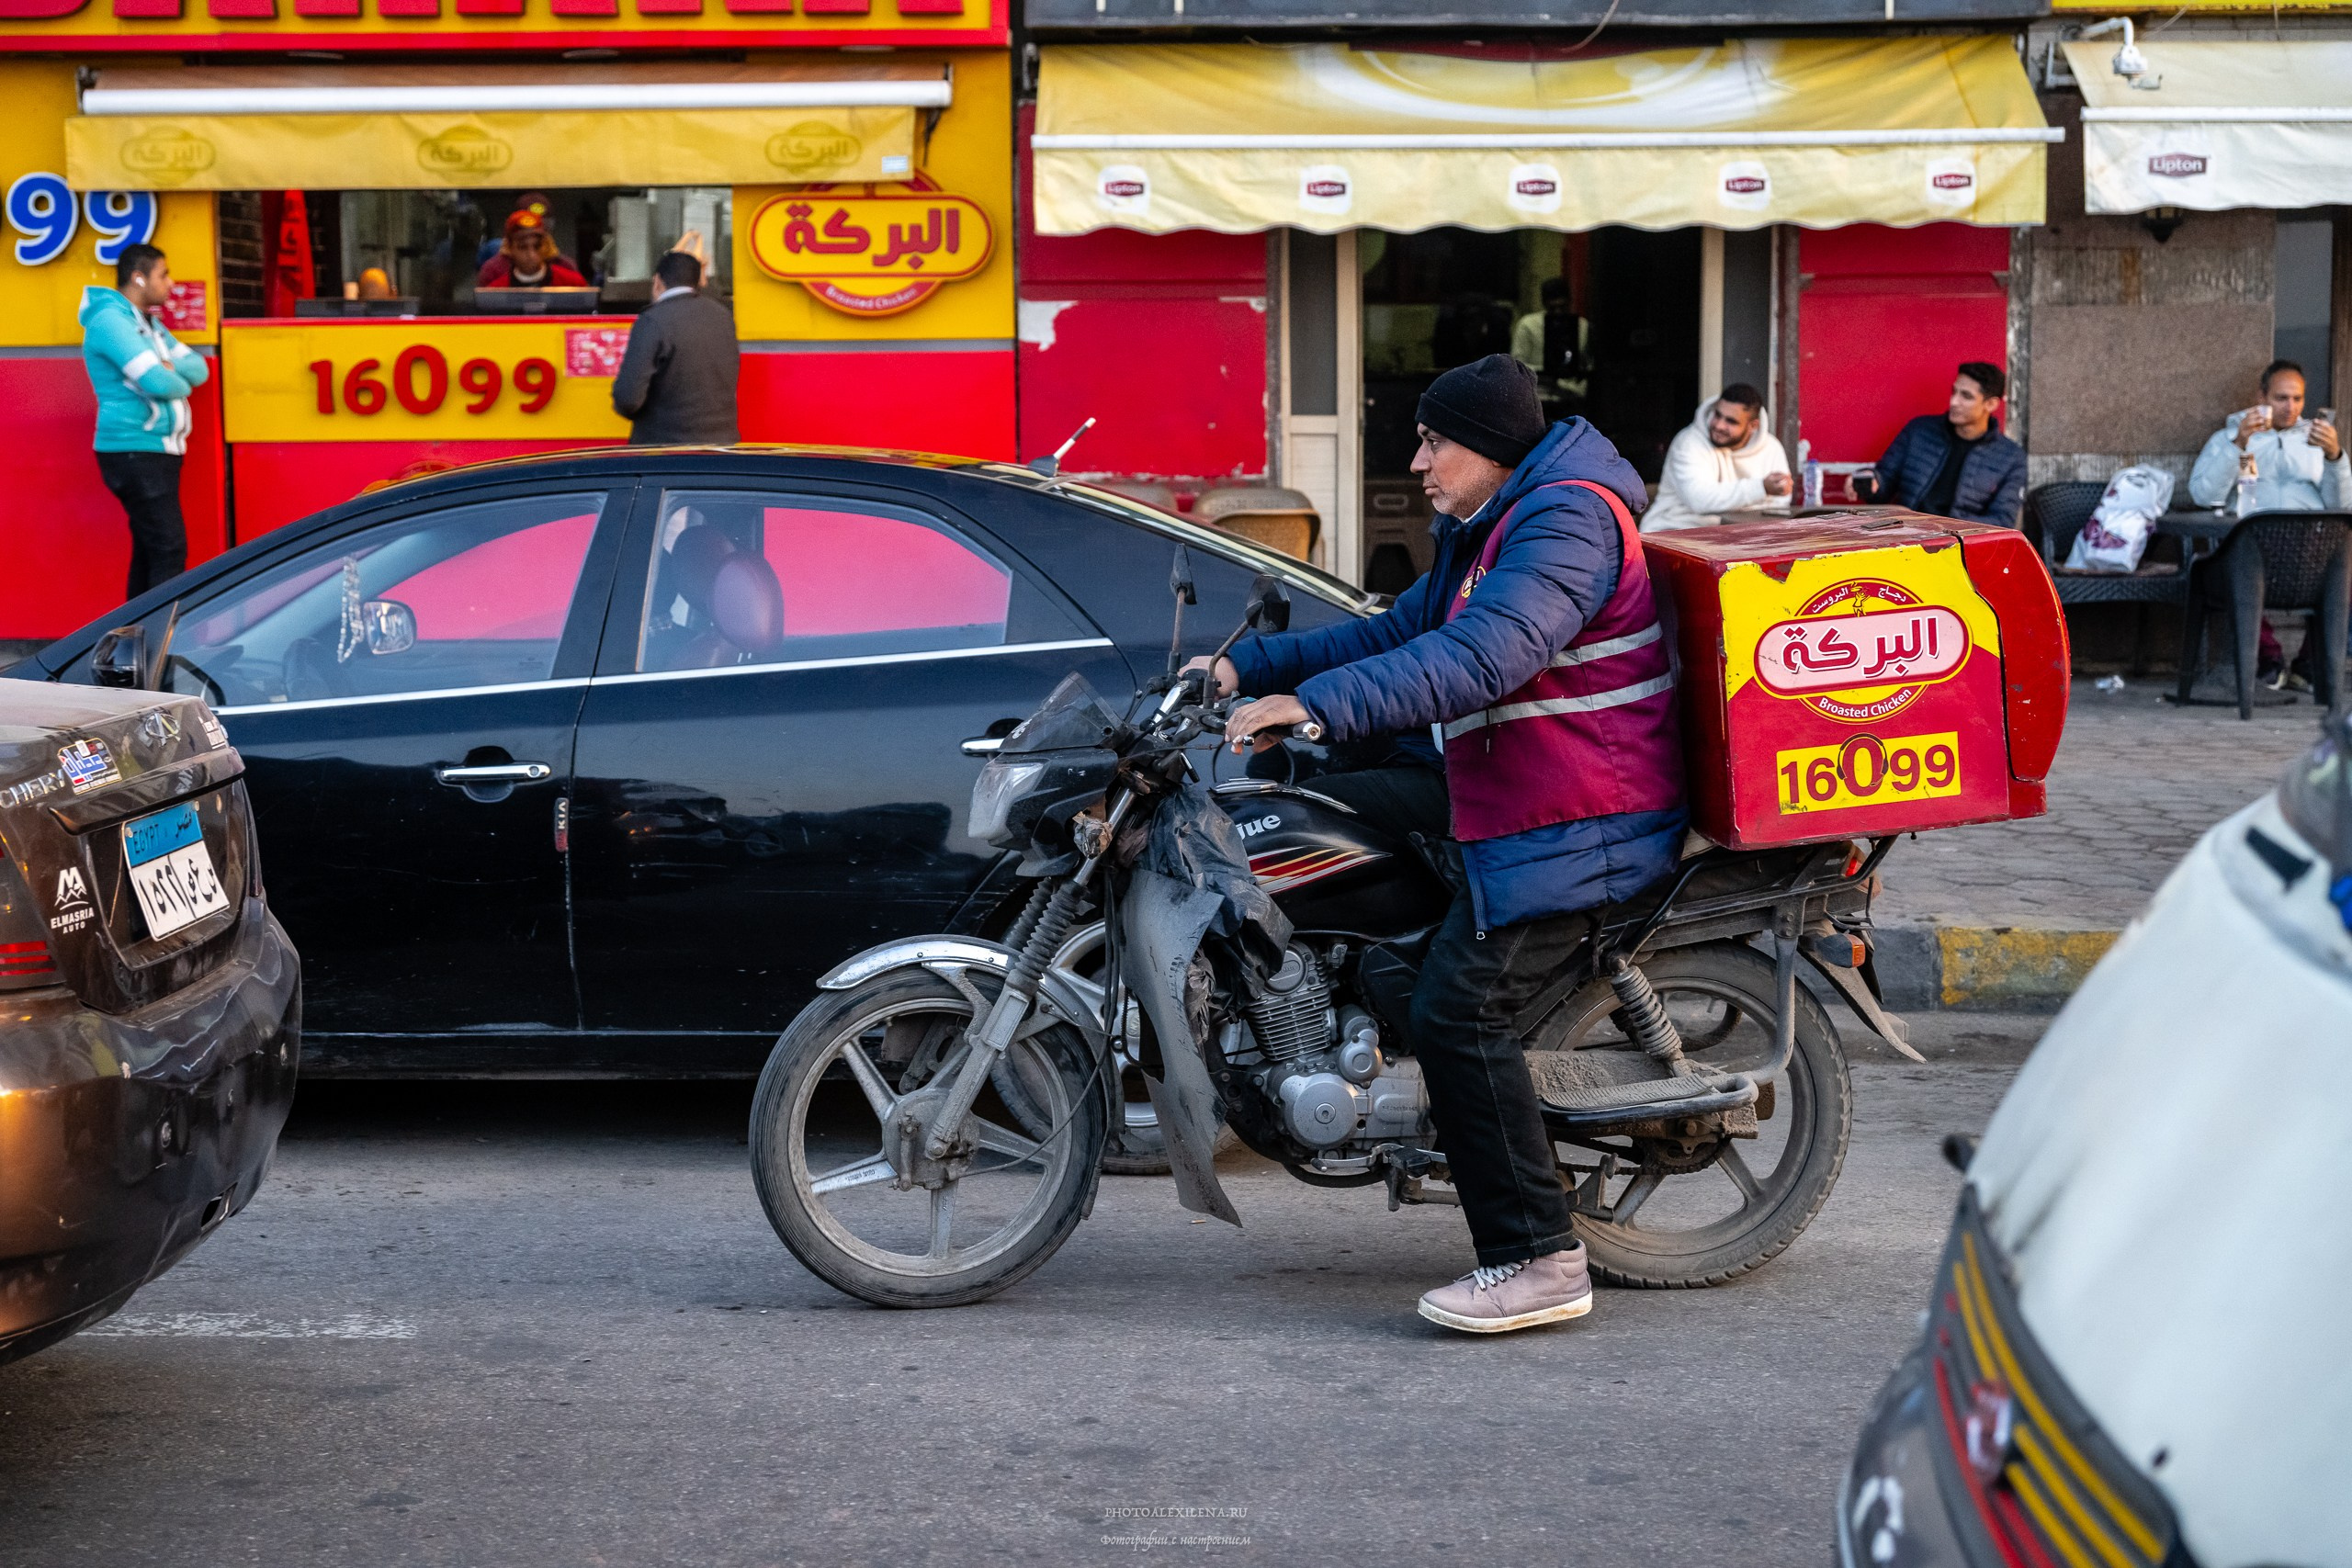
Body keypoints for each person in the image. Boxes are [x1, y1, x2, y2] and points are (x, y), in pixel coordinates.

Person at [1191, 354, 1686, 1336]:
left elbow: (1482, 656)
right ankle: (1368, 1019)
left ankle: (1537, 1258)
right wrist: (1244, 665)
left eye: (1432, 440)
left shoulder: (1566, 521)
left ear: (1491, 447)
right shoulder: (1491, 524)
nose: (1416, 461)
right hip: (1507, 786)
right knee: (1321, 812)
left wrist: (1315, 707)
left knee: (1458, 1010)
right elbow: (1393, 634)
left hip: (1577, 814)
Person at [2187, 359, 2349, 685]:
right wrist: (2238, 445)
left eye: (2297, 399)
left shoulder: (2317, 440)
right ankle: (2267, 659)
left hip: (2311, 550)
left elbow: (2342, 505)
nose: (2290, 407)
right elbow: (2203, 495)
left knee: (2348, 567)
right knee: (2240, 566)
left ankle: (2310, 664)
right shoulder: (2230, 435)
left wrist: (2335, 458)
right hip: (2252, 548)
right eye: (2281, 398)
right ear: (2262, 396)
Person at [80, 243, 209, 600]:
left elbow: (199, 369)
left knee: (151, 549)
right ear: (138, 277)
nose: (170, 283)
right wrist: (173, 379)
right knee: (169, 548)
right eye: (163, 274)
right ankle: (158, 642)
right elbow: (159, 382)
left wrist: (170, 373)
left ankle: (135, 643)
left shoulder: (149, 325)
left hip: (156, 451)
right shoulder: (110, 321)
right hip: (134, 451)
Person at [1851, 362, 2027, 525]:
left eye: (1966, 396)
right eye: (1954, 392)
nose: (1953, 402)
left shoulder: (2011, 457)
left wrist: (1945, 527)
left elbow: (2003, 521)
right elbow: (1884, 482)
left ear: (1990, 404)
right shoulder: (1919, 431)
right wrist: (1869, 482)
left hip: (1962, 548)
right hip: (1907, 537)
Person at [610, 244, 739, 446]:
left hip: (666, 452)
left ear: (657, 282)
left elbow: (628, 398)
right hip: (723, 446)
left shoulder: (653, 320)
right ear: (697, 282)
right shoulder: (722, 316)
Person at [1639, 383, 1792, 532]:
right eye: (1718, 415)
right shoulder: (1688, 442)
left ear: (1753, 426)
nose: (1719, 425)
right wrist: (1761, 488)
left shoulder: (1772, 447)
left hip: (1737, 539)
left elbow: (1779, 505)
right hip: (1673, 532)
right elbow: (1700, 500)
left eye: (1731, 421)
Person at [476, 205, 587, 289]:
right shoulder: (495, 291)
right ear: (509, 248)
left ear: (546, 244)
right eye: (522, 247)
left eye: (537, 246)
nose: (531, 255)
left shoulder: (573, 284)